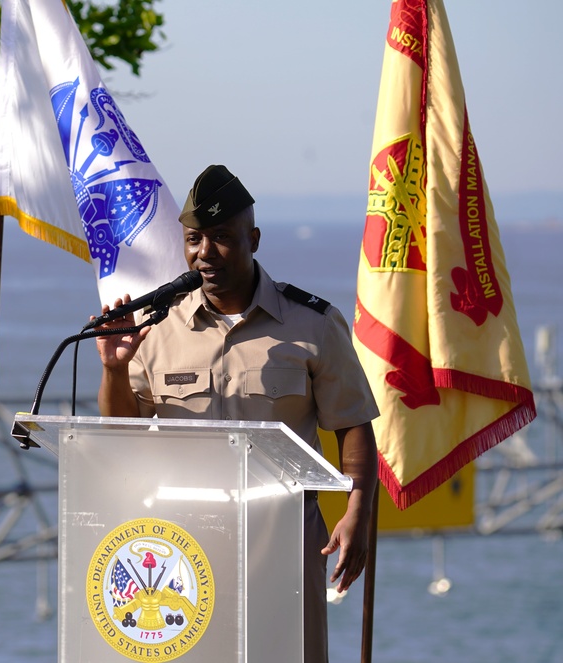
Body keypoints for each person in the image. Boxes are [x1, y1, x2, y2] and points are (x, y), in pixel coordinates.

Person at [93, 164, 379, 663]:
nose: (204, 254)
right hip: (179, 545)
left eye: (221, 238)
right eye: (194, 239)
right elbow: (124, 434)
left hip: (283, 541)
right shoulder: (156, 328)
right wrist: (116, 371)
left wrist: (358, 510)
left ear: (254, 239)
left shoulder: (312, 324)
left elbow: (352, 423)